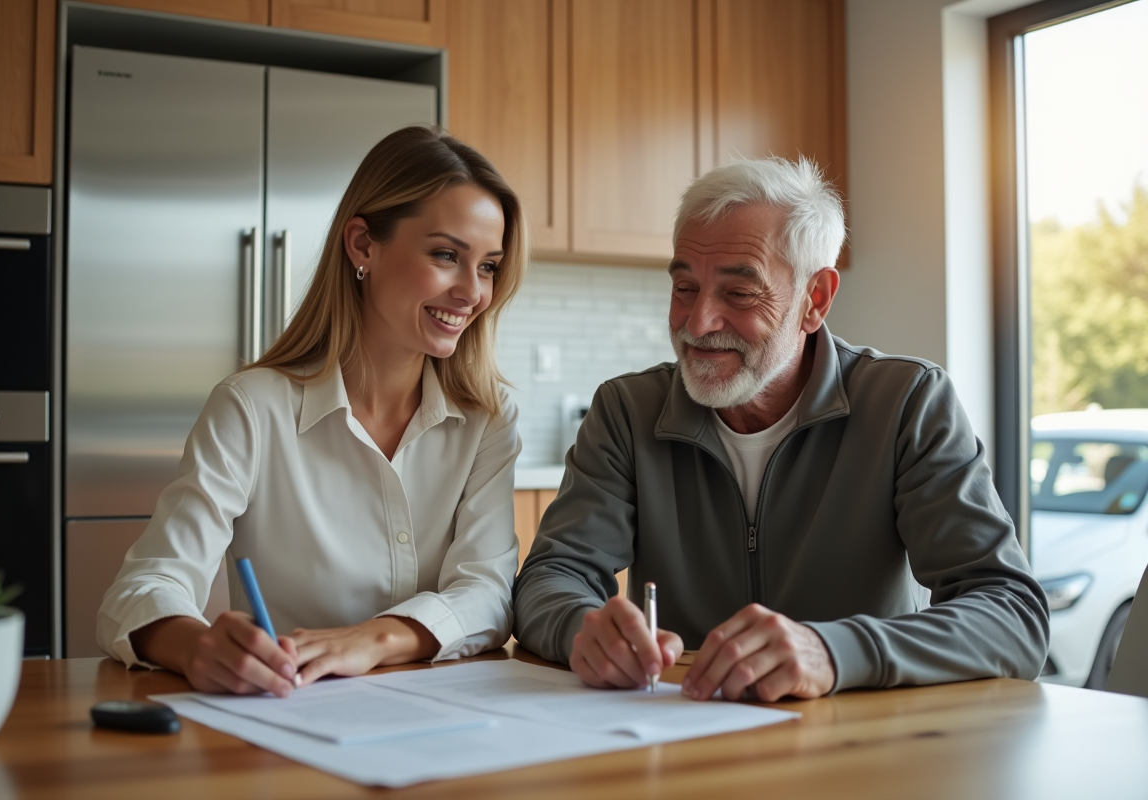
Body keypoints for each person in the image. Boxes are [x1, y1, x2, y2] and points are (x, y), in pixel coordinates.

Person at [513, 157, 1049, 702]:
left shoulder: (906, 402)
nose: (698, 324)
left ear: (814, 300)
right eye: (684, 288)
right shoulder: (627, 411)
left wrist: (833, 651)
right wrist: (583, 628)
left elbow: (1011, 615)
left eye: (739, 294)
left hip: (863, 744)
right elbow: (549, 578)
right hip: (686, 733)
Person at [98, 126, 528, 696]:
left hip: (443, 725)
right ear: (362, 246)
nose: (473, 292)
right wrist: (197, 647)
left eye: (489, 266)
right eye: (446, 255)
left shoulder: (489, 417)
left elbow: (488, 593)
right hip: (293, 716)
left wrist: (373, 639)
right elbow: (143, 586)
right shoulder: (251, 409)